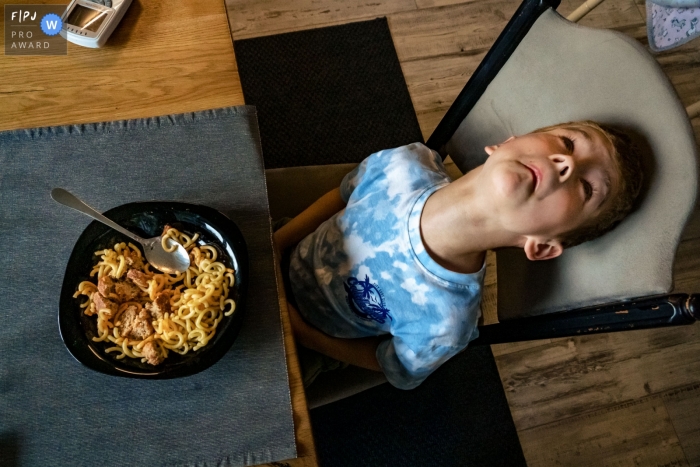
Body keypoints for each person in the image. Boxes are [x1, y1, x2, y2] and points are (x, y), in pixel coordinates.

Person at [273, 120, 643, 390]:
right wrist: (276, 243)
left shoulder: (448, 322)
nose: (565, 163)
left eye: (586, 187)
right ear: (506, 143)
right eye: (567, 142)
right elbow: (343, 192)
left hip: (302, 344)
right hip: (278, 249)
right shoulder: (406, 164)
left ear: (542, 245)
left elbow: (395, 366)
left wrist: (302, 335)